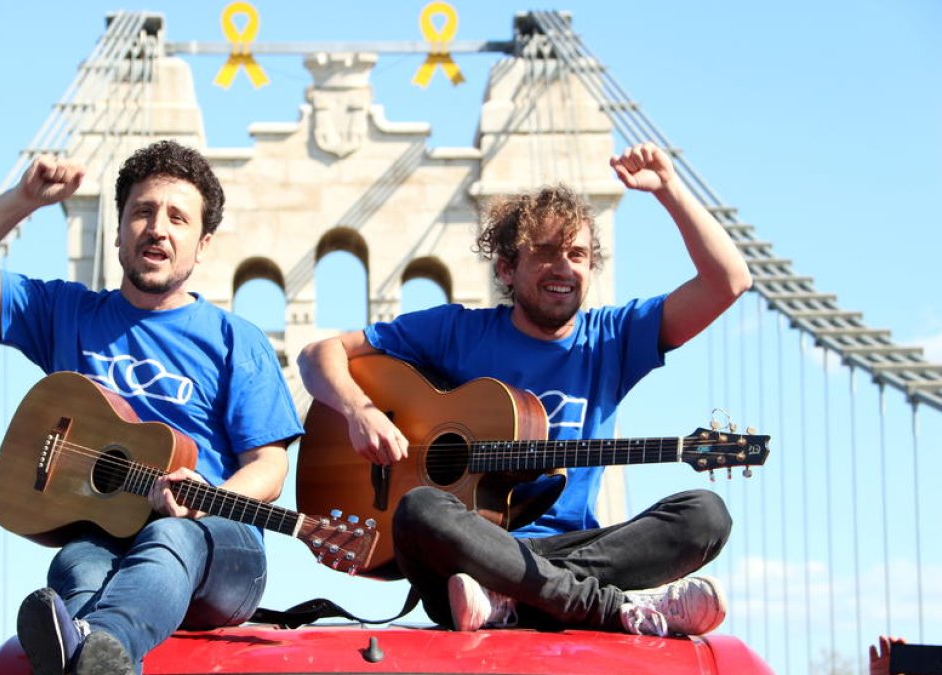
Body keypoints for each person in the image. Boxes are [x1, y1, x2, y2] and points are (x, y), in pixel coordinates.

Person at [297, 142, 752, 637]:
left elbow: (729, 281)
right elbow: (320, 353)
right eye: (547, 252)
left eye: (578, 254)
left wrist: (669, 190)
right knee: (421, 508)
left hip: (566, 551)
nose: (564, 267)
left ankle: (518, 598)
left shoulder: (613, 339)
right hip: (467, 553)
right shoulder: (457, 331)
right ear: (507, 269)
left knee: (704, 515)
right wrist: (359, 410)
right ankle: (609, 608)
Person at [0, 140, 303, 674]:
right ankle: (91, 654)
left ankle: (103, 646)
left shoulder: (237, 340)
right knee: (75, 563)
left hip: (219, 547)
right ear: (118, 229)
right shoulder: (64, 313)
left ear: (203, 242)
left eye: (177, 218)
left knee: (170, 535)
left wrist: (210, 497)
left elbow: (271, 467)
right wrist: (22, 201)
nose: (157, 228)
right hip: (105, 543)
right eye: (141, 212)